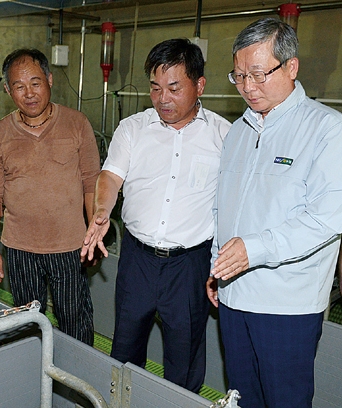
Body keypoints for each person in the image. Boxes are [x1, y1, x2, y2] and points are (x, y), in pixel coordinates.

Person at [206, 18, 342, 408]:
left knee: (284, 401)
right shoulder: (239, 131)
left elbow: (326, 218)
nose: (247, 87)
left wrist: (252, 251)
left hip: (285, 306)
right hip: (234, 295)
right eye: (239, 76)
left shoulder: (329, 130)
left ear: (291, 66)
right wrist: (217, 265)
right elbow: (222, 206)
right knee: (241, 397)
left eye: (259, 74)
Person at [82, 38, 231, 392]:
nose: (163, 98)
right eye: (155, 87)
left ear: (200, 85)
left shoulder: (225, 136)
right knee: (125, 344)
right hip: (138, 260)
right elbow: (110, 176)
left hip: (191, 264)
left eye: (174, 87)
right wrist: (102, 210)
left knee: (185, 352)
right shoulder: (133, 128)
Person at [0, 48, 100, 345]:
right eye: (19, 86)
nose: (29, 93)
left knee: (75, 321)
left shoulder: (76, 124)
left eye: (35, 83)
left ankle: (77, 385)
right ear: (8, 90)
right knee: (28, 323)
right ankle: (35, 380)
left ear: (49, 79)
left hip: (69, 246)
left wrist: (93, 236)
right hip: (19, 249)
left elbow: (91, 184)